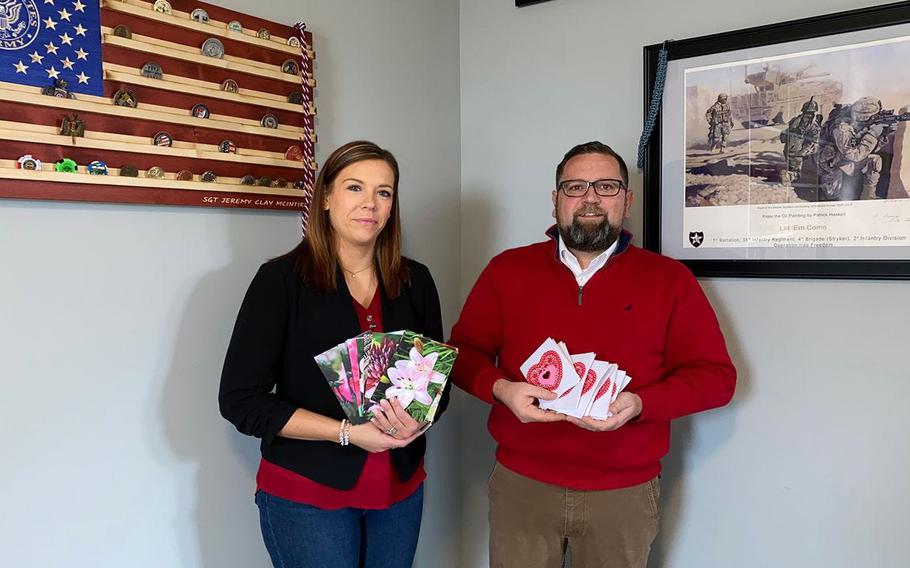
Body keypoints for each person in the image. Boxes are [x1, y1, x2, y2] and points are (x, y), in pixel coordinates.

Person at [449, 141, 736, 568]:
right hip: (521, 486)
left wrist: (641, 404)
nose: (590, 198)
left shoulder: (670, 280)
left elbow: (717, 378)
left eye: (606, 186)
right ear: (555, 201)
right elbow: (460, 353)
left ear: (627, 199)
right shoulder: (507, 270)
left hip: (624, 494)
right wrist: (501, 390)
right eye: (575, 187)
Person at [219, 140, 447, 568]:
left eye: (384, 192)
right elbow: (241, 401)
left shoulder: (416, 280)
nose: (371, 205)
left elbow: (438, 384)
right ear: (326, 197)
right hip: (308, 495)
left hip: (399, 491)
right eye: (355, 188)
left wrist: (418, 419)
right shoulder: (280, 281)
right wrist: (346, 432)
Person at [817, 96, 887, 200]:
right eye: (873, 117)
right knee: (832, 196)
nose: (874, 119)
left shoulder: (859, 124)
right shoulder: (842, 128)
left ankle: (868, 196)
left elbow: (867, 150)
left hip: (845, 156)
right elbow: (855, 156)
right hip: (831, 162)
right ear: (863, 117)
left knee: (874, 161)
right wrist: (872, 135)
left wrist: (882, 136)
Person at [779, 96, 822, 185]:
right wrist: (804, 152)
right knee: (797, 174)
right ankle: (789, 175)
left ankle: (791, 172)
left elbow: (786, 133)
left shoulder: (795, 119)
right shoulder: (812, 124)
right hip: (797, 151)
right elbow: (815, 141)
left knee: (793, 166)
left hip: (789, 150)